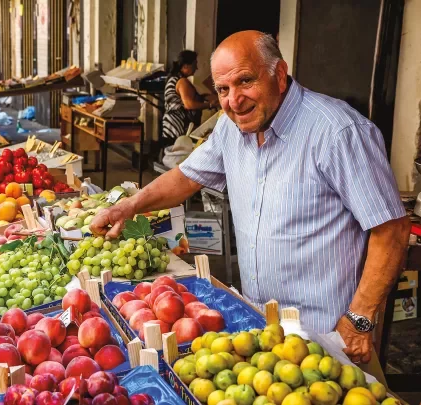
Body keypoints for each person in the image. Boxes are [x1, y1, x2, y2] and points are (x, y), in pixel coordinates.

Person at [90, 31, 410, 364]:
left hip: (327, 337)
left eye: (245, 81)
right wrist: (127, 207)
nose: (233, 100)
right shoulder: (233, 127)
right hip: (259, 328)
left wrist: (359, 320)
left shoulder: (338, 132)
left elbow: (392, 230)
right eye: (222, 89)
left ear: (280, 75)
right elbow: (186, 177)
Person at [162, 50, 218, 147]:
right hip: (178, 126)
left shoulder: (175, 78)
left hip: (171, 126)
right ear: (186, 66)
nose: (196, 68)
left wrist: (206, 97)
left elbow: (190, 97)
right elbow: (189, 104)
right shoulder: (182, 81)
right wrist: (210, 105)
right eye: (194, 64)